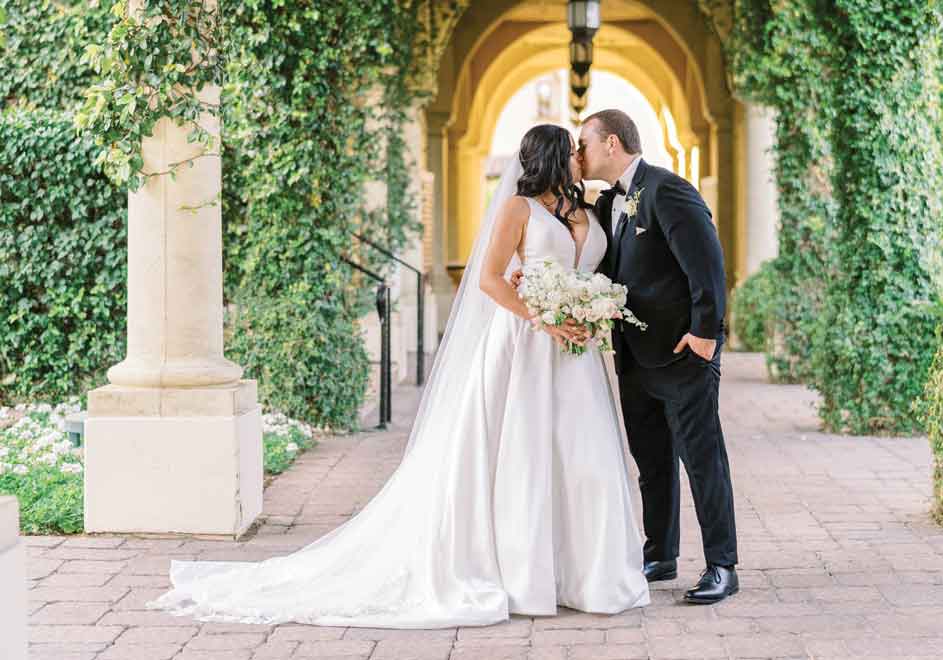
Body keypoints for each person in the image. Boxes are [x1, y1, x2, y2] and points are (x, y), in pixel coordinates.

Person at [145, 124, 650, 628]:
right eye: (573, 150)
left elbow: (585, 271)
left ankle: (583, 573)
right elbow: (489, 279)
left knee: (582, 456)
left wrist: (588, 308)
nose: (580, 157)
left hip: (576, 354)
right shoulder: (518, 209)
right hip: (525, 344)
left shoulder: (589, 210)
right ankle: (522, 573)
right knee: (521, 451)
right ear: (554, 157)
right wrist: (542, 315)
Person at [580, 109, 739, 604]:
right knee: (651, 460)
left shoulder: (666, 189)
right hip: (633, 356)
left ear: (610, 143)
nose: (577, 153)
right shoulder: (608, 202)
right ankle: (661, 553)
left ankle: (722, 566)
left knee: (701, 459)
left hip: (682, 353)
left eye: (582, 142)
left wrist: (705, 334)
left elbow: (707, 262)